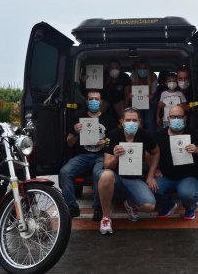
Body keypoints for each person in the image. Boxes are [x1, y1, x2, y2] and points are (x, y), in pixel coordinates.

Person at [96, 107, 160, 234]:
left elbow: (156, 151)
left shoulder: (145, 135)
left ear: (139, 121)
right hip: (117, 177)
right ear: (122, 121)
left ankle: (130, 203)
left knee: (149, 206)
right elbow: (107, 165)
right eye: (128, 120)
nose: (131, 123)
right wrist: (116, 157)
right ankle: (106, 218)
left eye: (134, 120)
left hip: (135, 179)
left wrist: (151, 175)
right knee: (105, 175)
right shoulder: (113, 135)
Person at [59, 90, 117, 219]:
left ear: (101, 102)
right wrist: (75, 132)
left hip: (101, 156)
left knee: (98, 174)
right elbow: (69, 143)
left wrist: (105, 143)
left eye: (96, 99)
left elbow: (115, 141)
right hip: (82, 156)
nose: (94, 102)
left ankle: (98, 208)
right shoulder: (79, 118)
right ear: (86, 101)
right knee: (64, 172)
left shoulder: (109, 120)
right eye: (91, 99)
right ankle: (72, 206)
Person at [154, 105, 198, 220]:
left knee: (187, 195)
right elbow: (152, 154)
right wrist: (156, 169)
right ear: (168, 118)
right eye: (173, 117)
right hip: (166, 177)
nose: (176, 119)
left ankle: (190, 208)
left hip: (188, 177)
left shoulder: (194, 133)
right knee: (151, 187)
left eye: (179, 117)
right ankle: (169, 205)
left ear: (185, 119)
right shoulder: (159, 135)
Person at [128, 59, 158, 134]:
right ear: (137, 69)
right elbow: (130, 90)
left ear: (148, 69)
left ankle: (152, 141)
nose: (142, 70)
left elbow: (153, 93)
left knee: (149, 121)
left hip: (150, 101)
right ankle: (139, 139)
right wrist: (131, 95)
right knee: (138, 120)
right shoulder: (133, 76)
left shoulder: (153, 76)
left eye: (144, 68)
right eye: (140, 69)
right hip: (137, 102)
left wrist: (151, 96)